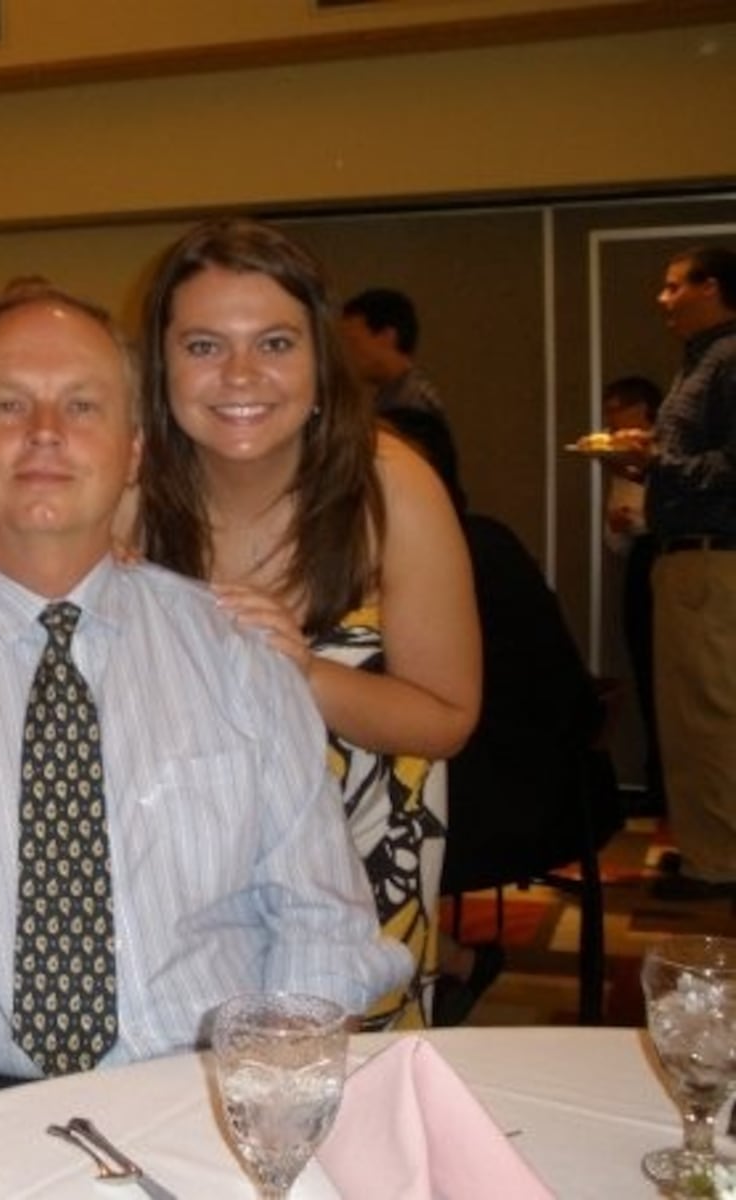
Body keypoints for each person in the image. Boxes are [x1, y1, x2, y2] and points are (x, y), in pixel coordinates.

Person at [0, 285, 410, 1143]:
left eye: (81, 405)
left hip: (215, 1098)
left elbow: (320, 930)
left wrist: (268, 1138)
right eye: (8, 404)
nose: (44, 431)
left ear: (135, 449)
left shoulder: (238, 659)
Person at [140, 219, 480, 1027]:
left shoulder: (392, 487)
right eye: (203, 346)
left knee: (346, 1120)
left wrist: (296, 672)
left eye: (276, 343)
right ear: (161, 365)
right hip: (178, 870)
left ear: (321, 361)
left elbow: (447, 719)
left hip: (362, 867)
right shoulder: (129, 493)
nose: (241, 375)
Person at [385, 407, 620, 1024]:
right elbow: (574, 698)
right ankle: (451, 959)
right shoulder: (494, 539)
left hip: (472, 817)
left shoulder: (391, 564)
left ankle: (446, 965)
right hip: (553, 797)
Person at [629, 245, 736, 900]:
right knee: (692, 715)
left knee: (709, 715)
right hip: (689, 558)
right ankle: (707, 849)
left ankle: (719, 864)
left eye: (674, 287)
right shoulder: (701, 360)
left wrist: (660, 460)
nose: (663, 299)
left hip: (711, 559)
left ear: (712, 287)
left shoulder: (728, 360)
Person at [599, 375, 664, 815]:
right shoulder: (620, 461)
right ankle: (657, 782)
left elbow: (669, 517)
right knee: (645, 672)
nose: (611, 419)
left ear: (645, 411)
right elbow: (616, 541)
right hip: (639, 566)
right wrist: (620, 528)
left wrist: (638, 524)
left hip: (668, 559)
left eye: (618, 408)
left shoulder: (664, 455)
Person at [339, 287, 449, 420]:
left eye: (353, 342)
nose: (346, 352)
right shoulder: (393, 397)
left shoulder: (412, 406)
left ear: (387, 337)